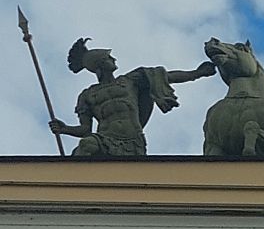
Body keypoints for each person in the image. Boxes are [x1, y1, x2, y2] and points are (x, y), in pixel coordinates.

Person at [49, 38, 216, 156]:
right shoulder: (87, 95)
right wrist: (64, 129)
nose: (113, 59)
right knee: (86, 145)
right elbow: (85, 130)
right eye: (108, 57)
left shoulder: (130, 80)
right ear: (100, 64)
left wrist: (197, 73)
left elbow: (165, 76)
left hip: (133, 140)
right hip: (104, 138)